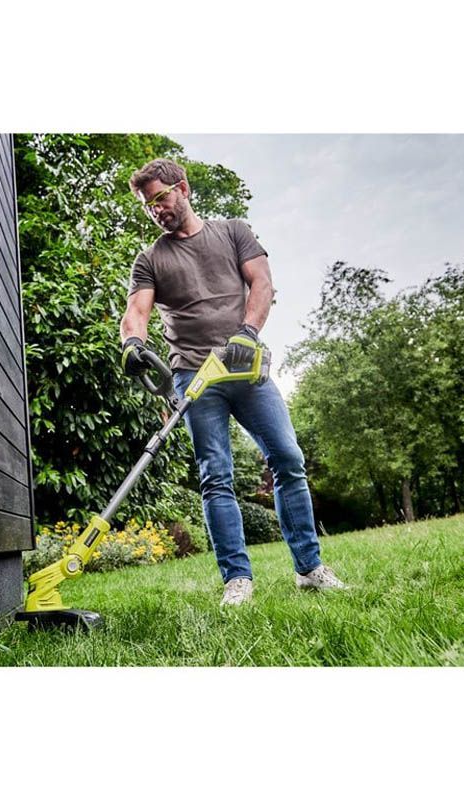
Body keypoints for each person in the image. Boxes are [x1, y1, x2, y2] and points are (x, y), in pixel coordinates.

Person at [119, 158, 346, 606]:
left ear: (183, 189)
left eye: (160, 198)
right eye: (148, 206)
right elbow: (137, 312)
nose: (156, 210)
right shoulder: (150, 259)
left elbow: (262, 283)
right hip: (194, 375)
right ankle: (237, 580)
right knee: (216, 475)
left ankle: (309, 568)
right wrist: (132, 343)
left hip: (245, 365)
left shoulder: (233, 232)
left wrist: (248, 331)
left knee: (287, 457)